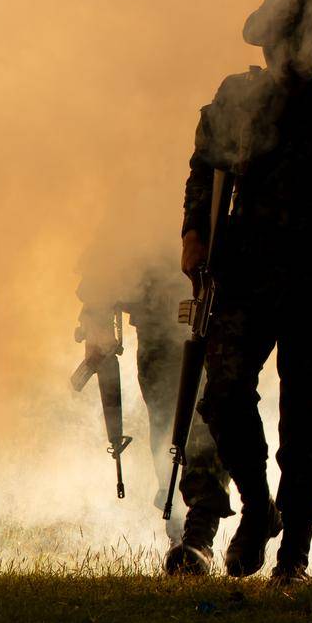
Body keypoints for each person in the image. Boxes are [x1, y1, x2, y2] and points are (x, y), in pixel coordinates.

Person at [184, 0, 312, 584]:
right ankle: (259, 506)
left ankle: (293, 554)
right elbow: (206, 168)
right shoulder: (237, 96)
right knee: (223, 394)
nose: (278, 52)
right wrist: (193, 234)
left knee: (308, 420)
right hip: (246, 270)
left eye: (288, 39)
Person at [74, 236, 232, 574]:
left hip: (218, 311)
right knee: (167, 428)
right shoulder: (141, 187)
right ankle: (180, 531)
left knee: (207, 426)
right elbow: (115, 233)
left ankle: (198, 533)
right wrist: (96, 312)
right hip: (157, 320)